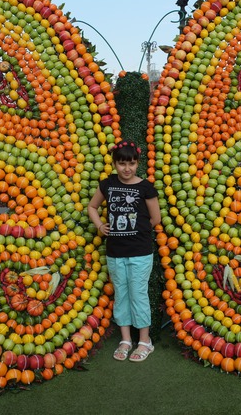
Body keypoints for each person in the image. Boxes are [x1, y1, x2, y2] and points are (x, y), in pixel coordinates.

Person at [87, 141, 161, 362]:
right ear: (114, 163)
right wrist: (100, 225)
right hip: (115, 252)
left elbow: (155, 218)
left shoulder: (146, 187)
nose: (126, 168)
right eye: (122, 164)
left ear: (137, 163)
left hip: (140, 252)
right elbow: (92, 207)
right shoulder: (107, 184)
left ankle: (145, 342)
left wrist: (136, 231)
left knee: (138, 294)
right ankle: (126, 340)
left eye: (131, 163)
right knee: (121, 294)